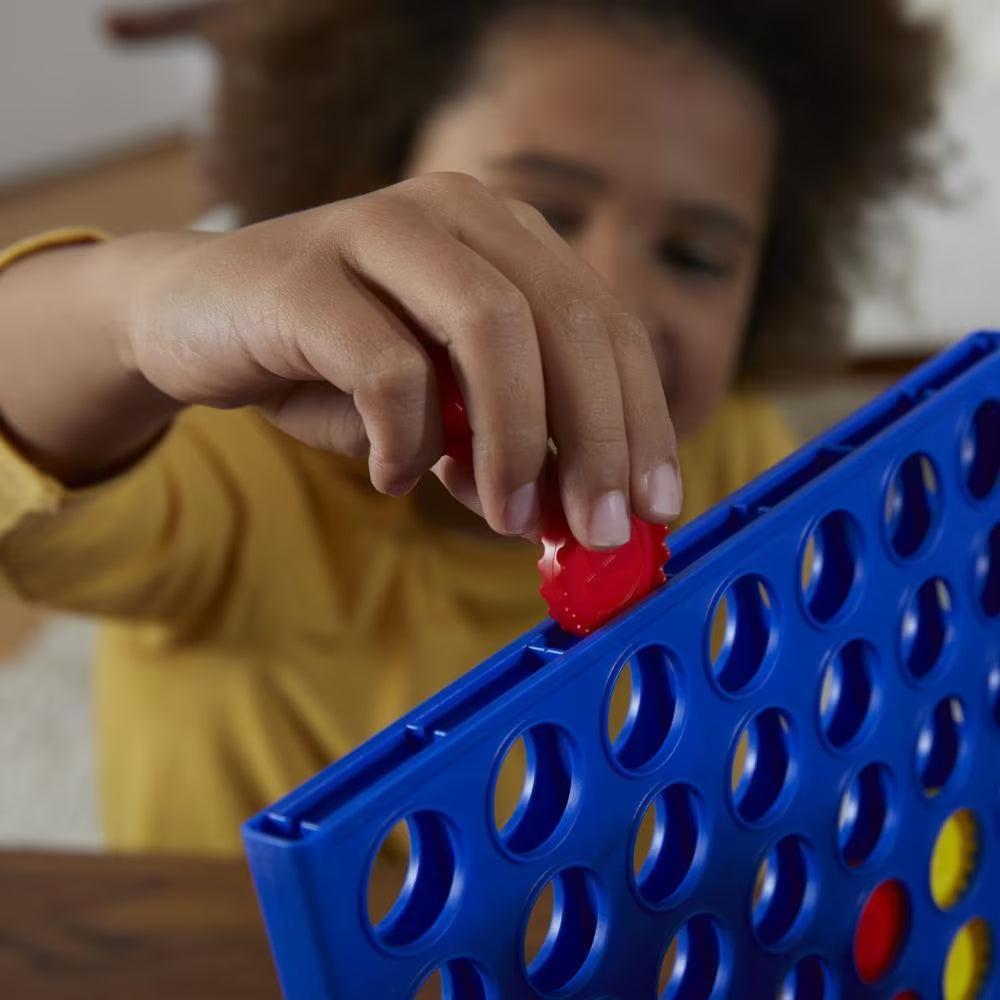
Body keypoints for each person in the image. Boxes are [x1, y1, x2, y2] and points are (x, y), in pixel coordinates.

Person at [0, 0, 943, 853]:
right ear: (369, 184)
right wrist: (138, 307)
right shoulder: (242, 458)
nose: (606, 296)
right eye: (532, 215)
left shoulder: (730, 455)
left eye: (697, 257)